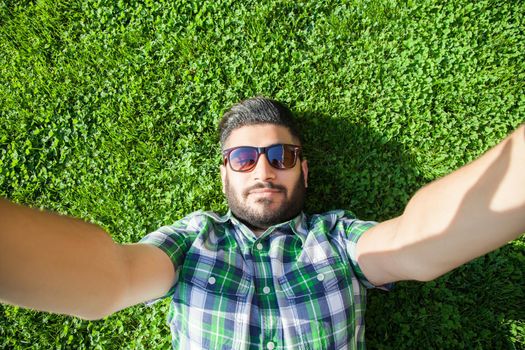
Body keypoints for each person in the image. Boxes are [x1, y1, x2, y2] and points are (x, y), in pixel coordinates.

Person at [0, 97, 523, 349]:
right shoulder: (194, 239)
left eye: (281, 154)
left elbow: (417, 240)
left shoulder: (336, 239)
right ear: (224, 174)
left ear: (304, 168)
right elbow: (109, 277)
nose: (265, 169)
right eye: (245, 158)